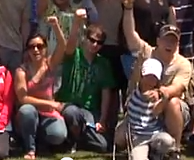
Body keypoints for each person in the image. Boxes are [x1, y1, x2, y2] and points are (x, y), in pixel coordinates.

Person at [122, 0, 194, 154]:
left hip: (170, 109)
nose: (170, 44)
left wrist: (162, 94)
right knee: (119, 139)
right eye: (166, 40)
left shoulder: (183, 64)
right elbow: (130, 34)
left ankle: (174, 149)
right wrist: (128, 8)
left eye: (173, 41)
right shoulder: (147, 51)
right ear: (158, 41)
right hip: (142, 108)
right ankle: (148, 146)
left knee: (174, 103)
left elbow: (178, 88)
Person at [55, 11, 114, 153]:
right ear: (85, 38)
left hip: (90, 111)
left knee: (103, 146)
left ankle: (77, 138)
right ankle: (74, 140)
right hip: (69, 105)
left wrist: (102, 119)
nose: (94, 44)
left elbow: (106, 93)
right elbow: (70, 43)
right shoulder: (73, 55)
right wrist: (76, 22)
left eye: (99, 43)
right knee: (72, 113)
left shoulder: (103, 63)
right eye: (91, 40)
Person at [15, 17, 69, 159]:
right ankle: (30, 149)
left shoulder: (50, 64)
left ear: (45, 48)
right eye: (32, 46)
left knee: (59, 135)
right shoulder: (22, 71)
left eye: (40, 46)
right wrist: (51, 103)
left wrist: (56, 26)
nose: (36, 49)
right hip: (30, 113)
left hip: (48, 114)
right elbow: (23, 98)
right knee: (27, 111)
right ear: (27, 50)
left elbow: (62, 46)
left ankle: (40, 140)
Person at [114, 58, 176, 160]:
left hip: (154, 134)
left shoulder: (156, 95)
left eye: (153, 77)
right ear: (142, 75)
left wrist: (164, 99)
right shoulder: (134, 90)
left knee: (167, 140)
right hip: (138, 137)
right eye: (147, 76)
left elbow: (156, 111)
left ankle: (158, 154)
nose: (150, 80)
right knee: (137, 158)